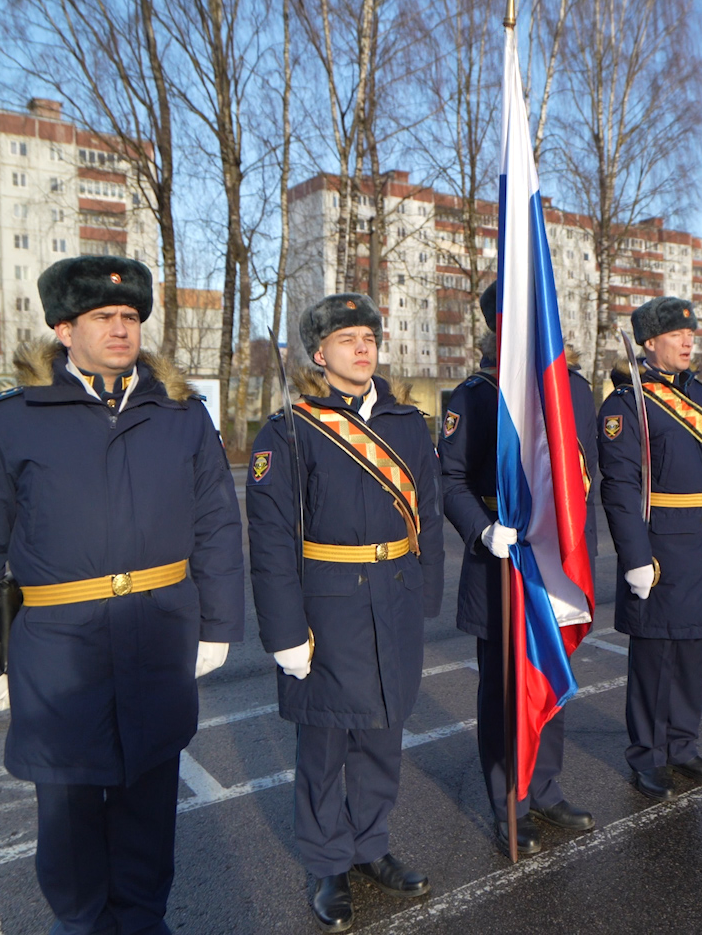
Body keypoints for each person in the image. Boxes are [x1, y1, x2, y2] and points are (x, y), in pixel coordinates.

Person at [0, 256, 245, 935]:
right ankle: (80, 925)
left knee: (149, 803)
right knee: (71, 815)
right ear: (63, 327)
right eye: (103, 317)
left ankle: (142, 921)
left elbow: (217, 524)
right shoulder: (7, 421)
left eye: (131, 316)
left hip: (159, 635)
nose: (121, 328)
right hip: (60, 647)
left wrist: (219, 623)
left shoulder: (180, 415)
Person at [246, 293, 445, 931]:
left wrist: (425, 596)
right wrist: (283, 630)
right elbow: (271, 538)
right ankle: (327, 861)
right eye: (347, 338)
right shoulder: (291, 427)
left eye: (369, 336)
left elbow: (430, 520)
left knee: (383, 735)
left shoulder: (409, 424)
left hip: (394, 594)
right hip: (326, 605)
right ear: (319, 353)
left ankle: (370, 845)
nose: (363, 347)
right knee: (326, 744)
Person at [439, 283, 600, 857]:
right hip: (502, 559)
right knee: (505, 689)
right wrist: (482, 530)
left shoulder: (573, 388)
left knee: (550, 673)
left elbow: (586, 477)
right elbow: (450, 482)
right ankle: (510, 797)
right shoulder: (479, 395)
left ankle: (547, 785)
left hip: (555, 558)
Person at [599, 297, 702, 800]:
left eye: (691, 334)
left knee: (693, 652)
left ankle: (683, 746)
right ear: (649, 343)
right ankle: (647, 755)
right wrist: (635, 557)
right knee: (654, 659)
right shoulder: (627, 405)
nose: (690, 341)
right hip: (662, 545)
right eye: (677, 335)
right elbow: (619, 487)